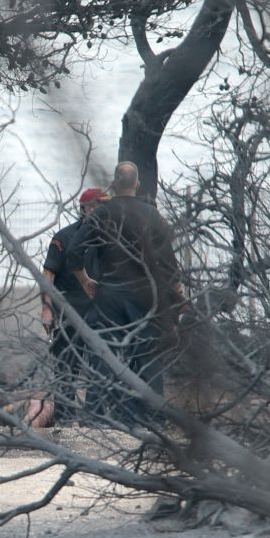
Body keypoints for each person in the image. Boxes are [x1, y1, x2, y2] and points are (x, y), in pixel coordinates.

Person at [65, 161, 185, 425]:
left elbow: (73, 252)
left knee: (103, 354)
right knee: (147, 356)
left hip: (109, 295)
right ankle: (150, 418)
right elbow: (168, 262)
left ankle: (96, 418)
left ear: (114, 184)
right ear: (137, 184)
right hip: (145, 295)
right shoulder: (153, 215)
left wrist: (85, 280)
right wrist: (177, 294)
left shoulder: (101, 214)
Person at [40, 187, 111, 423]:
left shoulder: (109, 239)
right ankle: (65, 421)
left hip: (98, 311)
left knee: (100, 366)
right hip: (68, 309)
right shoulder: (64, 237)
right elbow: (48, 275)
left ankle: (95, 422)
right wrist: (47, 309)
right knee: (65, 369)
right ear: (87, 209)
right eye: (100, 205)